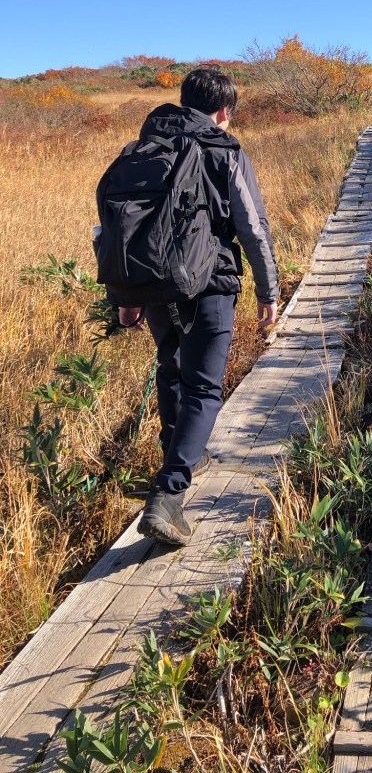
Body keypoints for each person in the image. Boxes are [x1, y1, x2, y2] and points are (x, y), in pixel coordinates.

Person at [118, 67, 279, 547]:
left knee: (171, 367)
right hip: (209, 281)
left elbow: (122, 228)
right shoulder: (225, 150)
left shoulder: (143, 148)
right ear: (224, 111)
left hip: (153, 285)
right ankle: (169, 495)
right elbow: (252, 227)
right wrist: (268, 292)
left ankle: (179, 453)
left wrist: (128, 297)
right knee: (204, 388)